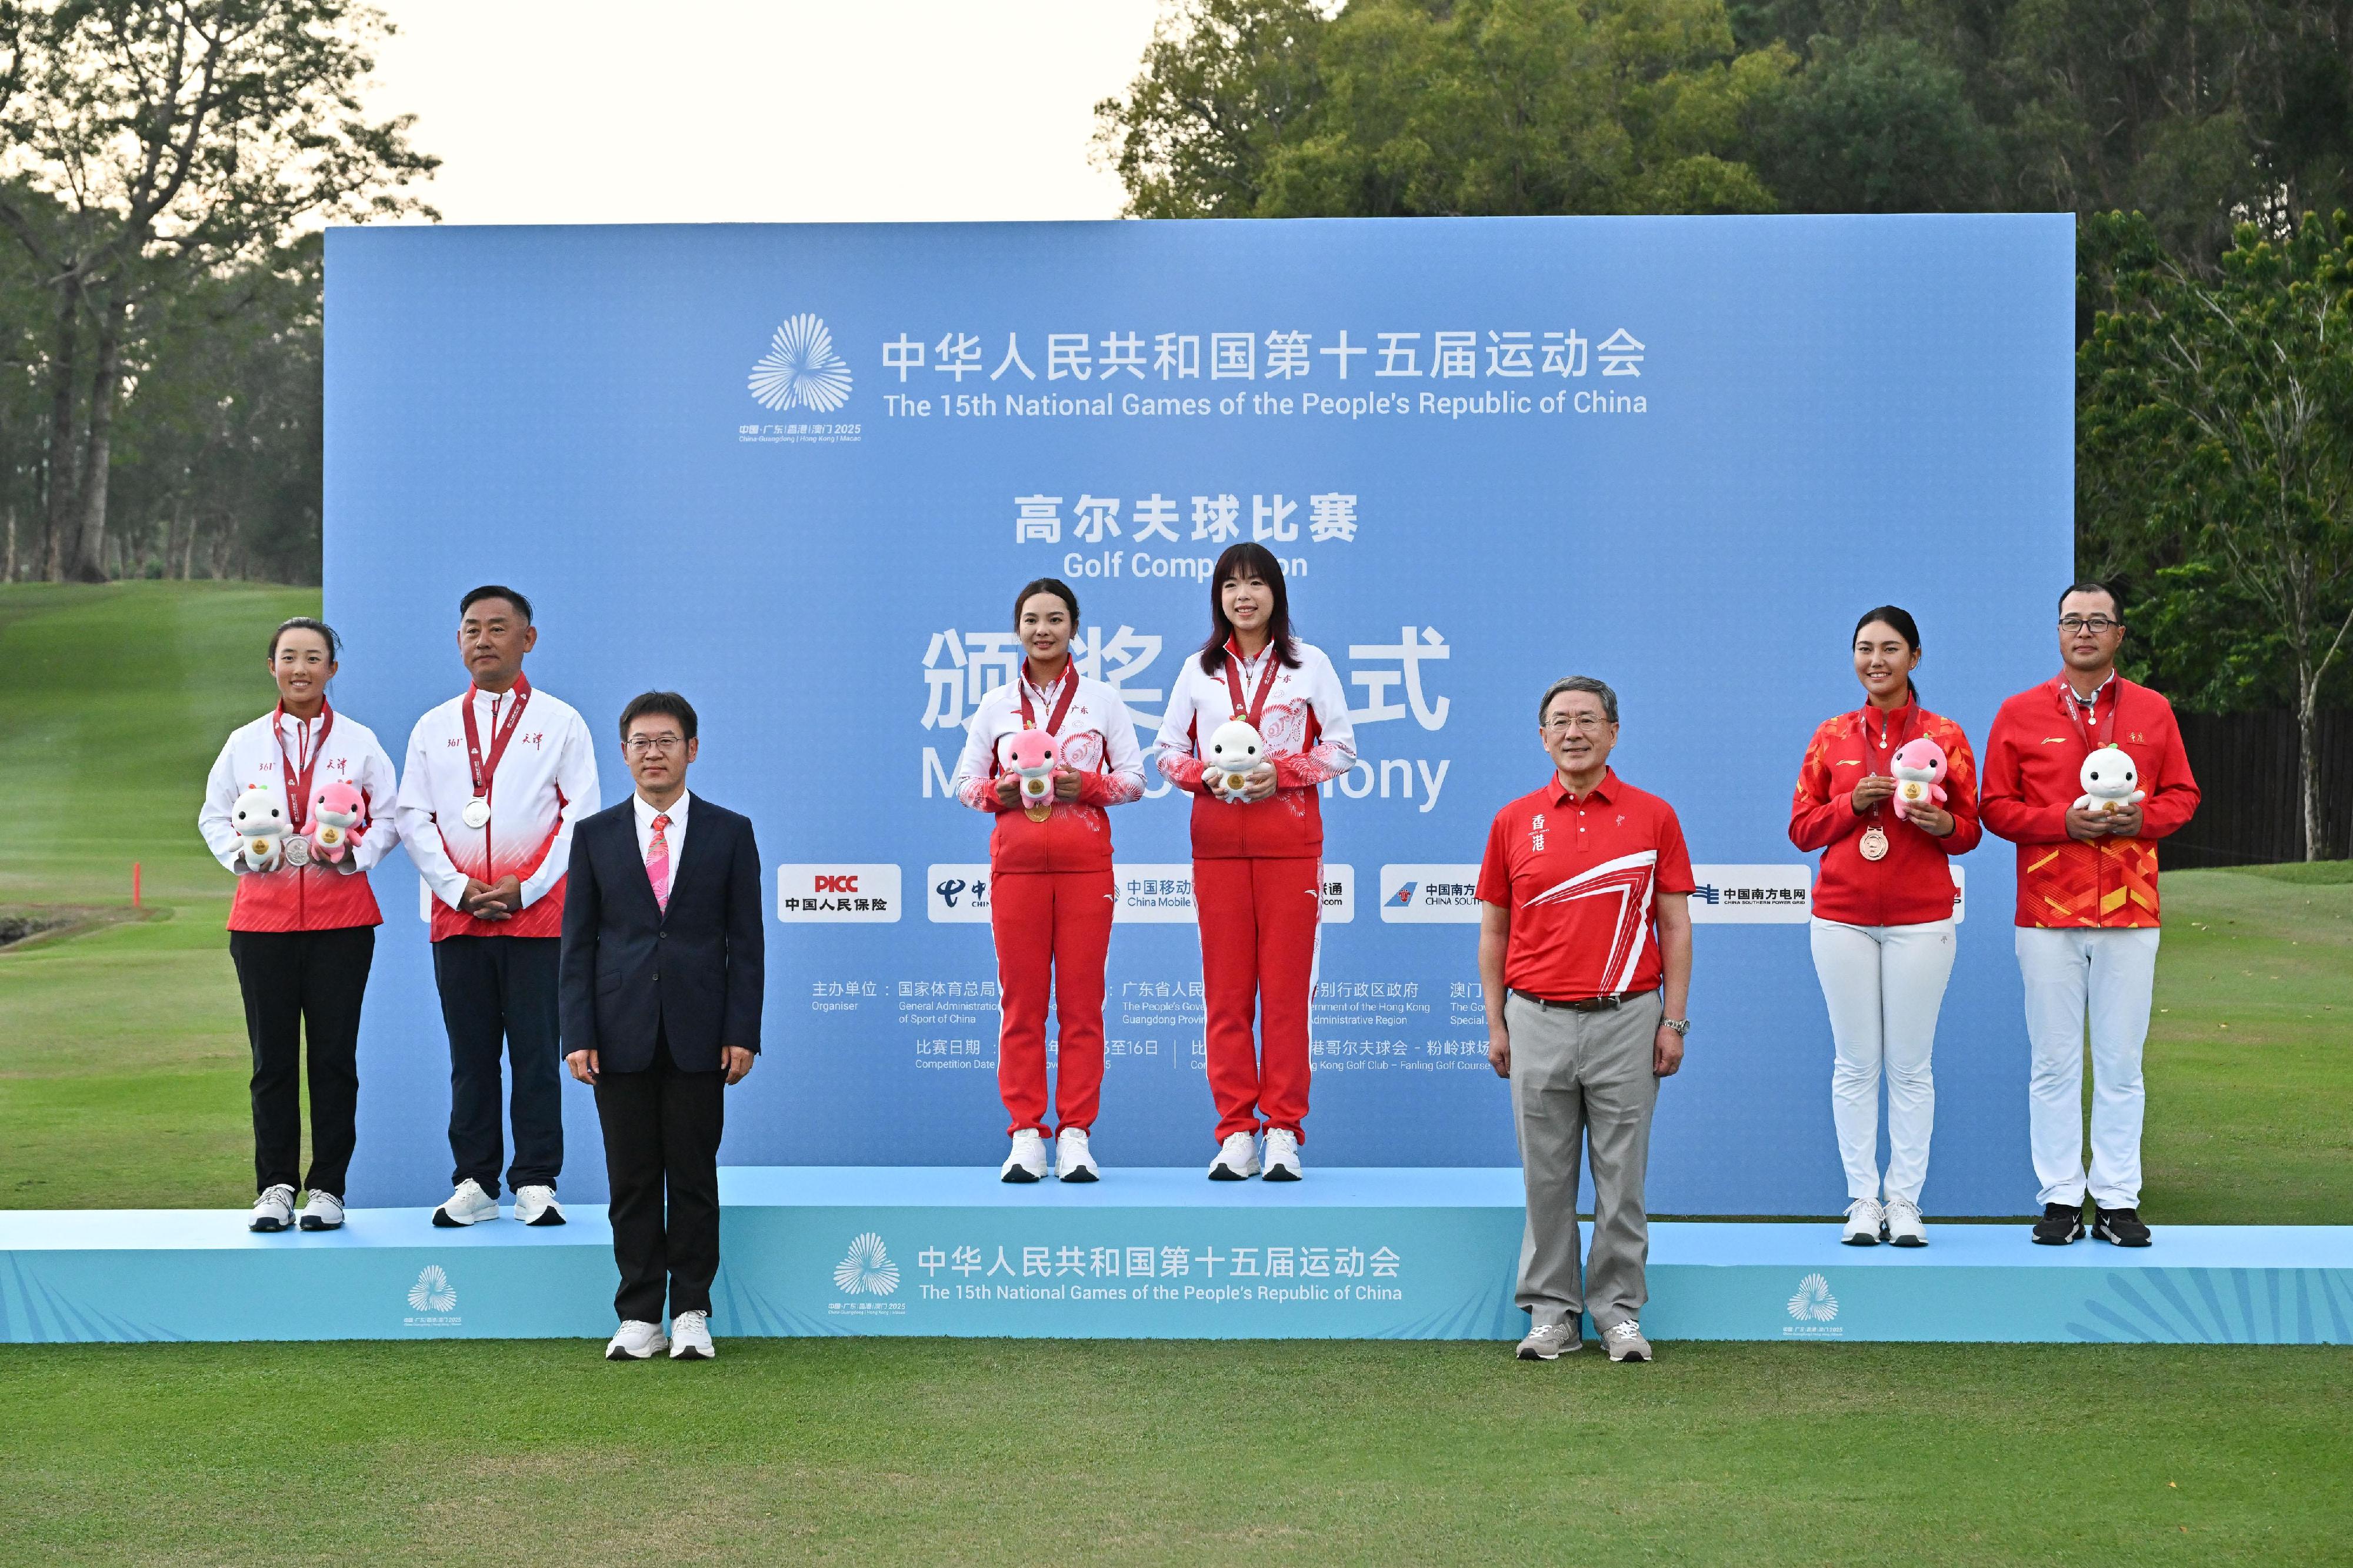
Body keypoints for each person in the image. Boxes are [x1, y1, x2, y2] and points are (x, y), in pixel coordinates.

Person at [1478, 676, 1693, 1363]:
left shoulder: (1653, 815)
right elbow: (1493, 930)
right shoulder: (1513, 820)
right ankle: (1551, 1312)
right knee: (1545, 1176)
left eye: (1587, 719)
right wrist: (1497, 1022)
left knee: (1621, 1175)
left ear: (1613, 732)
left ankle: (1618, 1309)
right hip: (1535, 1015)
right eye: (1560, 721)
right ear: (1542, 736)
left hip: (1627, 1017)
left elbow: (1675, 925)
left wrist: (1674, 1021)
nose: (1574, 732)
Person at [1982, 582, 2198, 1247]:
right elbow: (1994, 805)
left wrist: (2147, 816)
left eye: (2097, 621)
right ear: (2057, 632)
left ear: (2118, 634)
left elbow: (2183, 794)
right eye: (2072, 621)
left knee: (2120, 1060)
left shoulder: (2152, 710)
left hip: (2130, 909)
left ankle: (2115, 1198)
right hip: (2046, 910)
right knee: (2052, 1060)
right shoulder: (2018, 712)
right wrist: (2060, 821)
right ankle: (2058, 1197)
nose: (2084, 631)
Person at [561, 692, 762, 1361]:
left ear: (691, 750)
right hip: (617, 1033)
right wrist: (577, 1033)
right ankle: (639, 1312)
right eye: (641, 741)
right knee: (632, 1177)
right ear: (624, 753)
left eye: (666, 740)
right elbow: (578, 944)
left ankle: (692, 1310)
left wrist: (742, 1030)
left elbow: (746, 942)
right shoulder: (592, 835)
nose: (653, 752)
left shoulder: (730, 832)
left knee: (693, 1175)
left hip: (701, 1032)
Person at [396, 585, 599, 1227]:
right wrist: (457, 888)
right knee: (471, 1054)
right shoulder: (433, 726)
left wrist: (528, 886)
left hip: (538, 917)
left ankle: (537, 1178)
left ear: (527, 639)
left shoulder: (560, 722)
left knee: (538, 1051)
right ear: (459, 641)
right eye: (471, 628)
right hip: (457, 916)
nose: (482, 639)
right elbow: (412, 815)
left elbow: (581, 815)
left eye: (497, 627)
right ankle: (476, 1181)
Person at [1154, 542, 1355, 1181]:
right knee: (1227, 995)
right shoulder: (1198, 670)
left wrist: (1284, 772)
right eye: (1231, 584)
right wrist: (1202, 775)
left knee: (1287, 995)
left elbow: (1343, 747)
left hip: (1290, 847)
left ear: (1276, 593)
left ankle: (1283, 1131)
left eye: (1256, 583)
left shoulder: (1309, 664)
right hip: (1216, 846)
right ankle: (1236, 1129)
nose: (1244, 595)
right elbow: (1164, 750)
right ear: (1218, 596)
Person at [198, 617, 401, 1234]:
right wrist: (242, 853)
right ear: (272, 666)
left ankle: (329, 1188)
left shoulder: (361, 742)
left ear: (332, 669)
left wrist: (355, 853)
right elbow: (213, 816)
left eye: (314, 658)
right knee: (272, 1060)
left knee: (335, 1057)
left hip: (342, 922)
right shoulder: (244, 742)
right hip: (261, 922)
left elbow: (391, 817)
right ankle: (275, 1186)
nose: (301, 669)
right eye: (290, 657)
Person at [1789, 607, 1980, 1248]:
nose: (1877, 660)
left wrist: (1942, 826)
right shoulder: (1831, 735)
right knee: (1853, 1064)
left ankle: (1905, 1201)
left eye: (1890, 648)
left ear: (1915, 657)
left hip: (1921, 919)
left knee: (1909, 1066)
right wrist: (1854, 802)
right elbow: (1801, 828)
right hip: (1840, 917)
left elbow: (1973, 829)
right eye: (1865, 649)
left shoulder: (1945, 735)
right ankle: (1861, 1201)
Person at [950, 578, 1145, 1183]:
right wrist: (997, 793)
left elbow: (1135, 779)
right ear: (1017, 629)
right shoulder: (995, 706)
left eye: (1055, 618)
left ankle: (1076, 1134)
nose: (1043, 629)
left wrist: (1086, 786)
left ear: (1074, 627)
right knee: (1022, 1005)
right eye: (1032, 619)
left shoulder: (1103, 700)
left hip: (1087, 870)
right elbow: (962, 785)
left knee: (1083, 1005)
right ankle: (1026, 1134)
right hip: (1018, 872)